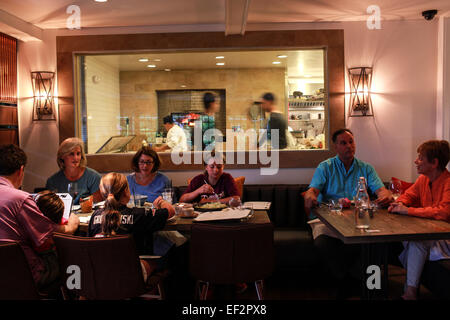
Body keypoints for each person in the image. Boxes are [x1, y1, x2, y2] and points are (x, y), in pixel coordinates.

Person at [303, 128, 393, 296]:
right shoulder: (326, 167)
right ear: (335, 146)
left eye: (351, 142)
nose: (349, 146)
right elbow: (312, 191)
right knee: (322, 244)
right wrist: (309, 196)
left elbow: (381, 190)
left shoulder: (366, 168)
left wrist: (386, 195)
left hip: (357, 219)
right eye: (343, 143)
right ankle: (353, 280)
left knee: (373, 243)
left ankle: (354, 283)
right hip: (328, 219)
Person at [0, 144, 79, 290]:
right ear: (21, 170)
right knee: (75, 263)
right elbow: (51, 231)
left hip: (4, 276)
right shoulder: (20, 199)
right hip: (25, 273)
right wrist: (72, 224)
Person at [388, 140, 450, 300]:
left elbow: (444, 212)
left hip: (444, 238)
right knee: (406, 238)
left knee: (416, 242)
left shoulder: (448, 182)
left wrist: (408, 211)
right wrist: (399, 203)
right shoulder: (423, 179)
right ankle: (408, 290)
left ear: (434, 163)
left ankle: (410, 293)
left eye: (421, 158)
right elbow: (408, 195)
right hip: (429, 232)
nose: (416, 161)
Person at [88, 172, 174, 255]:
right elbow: (170, 211)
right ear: (126, 192)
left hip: (100, 267)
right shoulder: (139, 214)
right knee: (166, 257)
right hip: (133, 267)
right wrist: (161, 202)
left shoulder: (95, 215)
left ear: (103, 194)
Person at [46, 137, 102, 205]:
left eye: (78, 154)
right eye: (71, 154)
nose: (76, 158)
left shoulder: (94, 177)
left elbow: (97, 206)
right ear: (62, 156)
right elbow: (51, 207)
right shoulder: (52, 181)